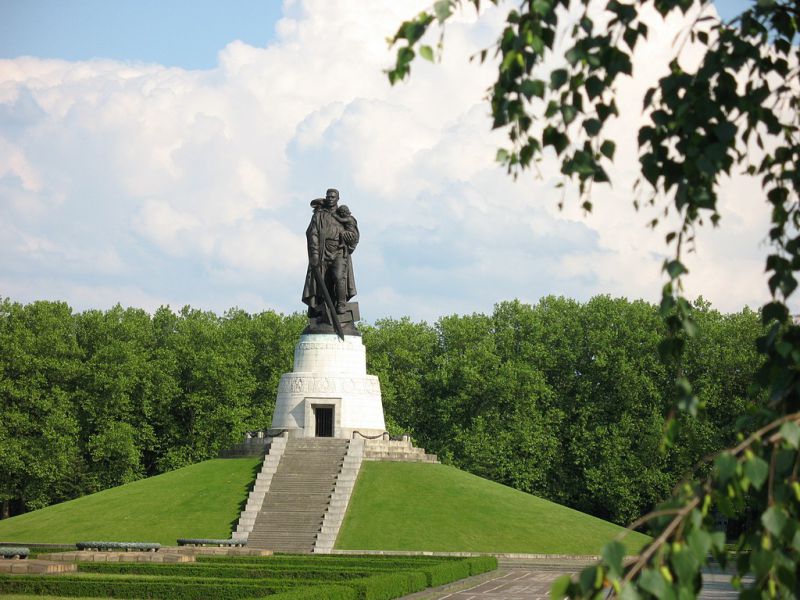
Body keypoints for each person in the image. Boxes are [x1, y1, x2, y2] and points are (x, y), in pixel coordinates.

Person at [302, 189, 359, 317]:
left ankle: (341, 303)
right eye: (328, 196)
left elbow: (354, 233)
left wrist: (350, 236)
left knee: (339, 276)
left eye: (333, 197)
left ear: (338, 198)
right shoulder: (319, 215)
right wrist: (315, 254)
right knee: (323, 281)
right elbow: (312, 233)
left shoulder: (343, 215)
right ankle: (324, 308)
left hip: (339, 251)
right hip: (323, 251)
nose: (330, 198)